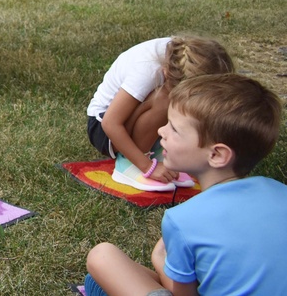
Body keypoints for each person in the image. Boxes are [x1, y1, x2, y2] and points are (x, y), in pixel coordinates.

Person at [85, 73, 287, 296]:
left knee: (101, 260)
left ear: (217, 155)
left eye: (174, 129)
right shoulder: (280, 191)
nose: (161, 131)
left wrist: (159, 258)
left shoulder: (183, 220)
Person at [85, 37, 233, 192]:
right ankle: (128, 164)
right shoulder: (146, 71)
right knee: (164, 100)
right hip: (103, 129)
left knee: (179, 102)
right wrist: (147, 167)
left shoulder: (186, 55)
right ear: (166, 73)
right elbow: (110, 123)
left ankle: (156, 152)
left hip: (125, 121)